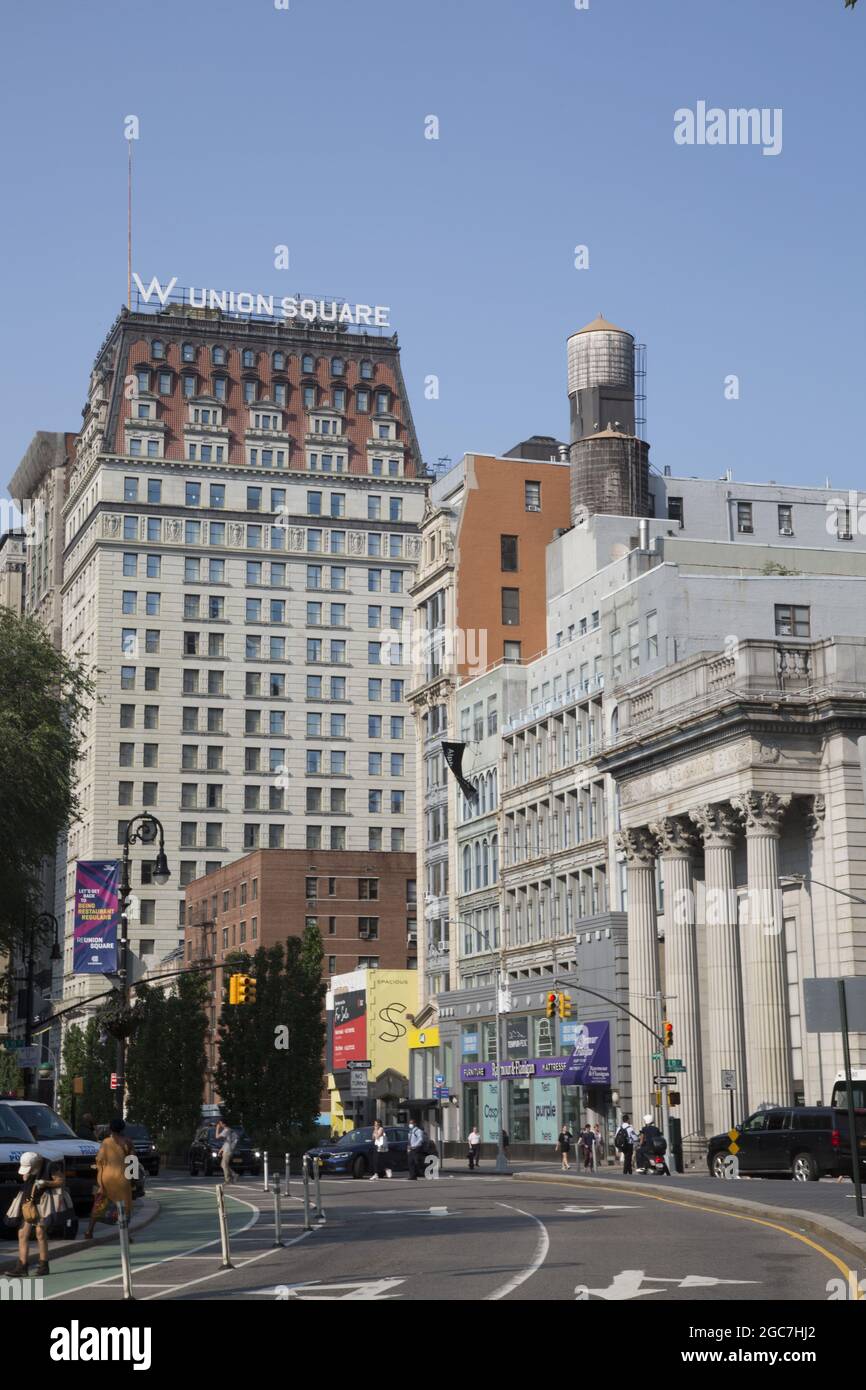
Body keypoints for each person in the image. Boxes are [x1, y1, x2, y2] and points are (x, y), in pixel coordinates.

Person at [6, 1151, 65, 1277]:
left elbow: (60, 1181)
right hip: (29, 1202)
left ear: (37, 1162)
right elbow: (25, 1178)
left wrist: (46, 1183)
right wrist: (26, 1176)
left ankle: (44, 1265)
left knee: (40, 1233)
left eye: (31, 1168)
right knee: (22, 1234)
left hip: (43, 1202)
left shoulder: (50, 1165)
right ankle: (22, 1266)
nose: (29, 1170)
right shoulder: (30, 1165)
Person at [85, 1116, 134, 1239]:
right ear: (123, 1128)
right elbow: (133, 1162)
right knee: (124, 1206)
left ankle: (89, 1231)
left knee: (100, 1204)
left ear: (111, 1129)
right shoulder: (128, 1142)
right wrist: (133, 1180)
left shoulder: (106, 1142)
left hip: (107, 1179)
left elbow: (100, 1159)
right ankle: (125, 1235)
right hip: (123, 1179)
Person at [215, 1118, 238, 1185]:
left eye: (220, 1123)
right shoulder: (229, 1130)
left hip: (228, 1150)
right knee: (223, 1165)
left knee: (224, 1165)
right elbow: (227, 1142)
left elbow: (216, 1137)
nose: (220, 1125)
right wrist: (221, 1150)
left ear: (224, 1123)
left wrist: (217, 1128)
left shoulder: (226, 1130)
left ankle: (227, 1180)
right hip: (227, 1149)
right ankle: (234, 1174)